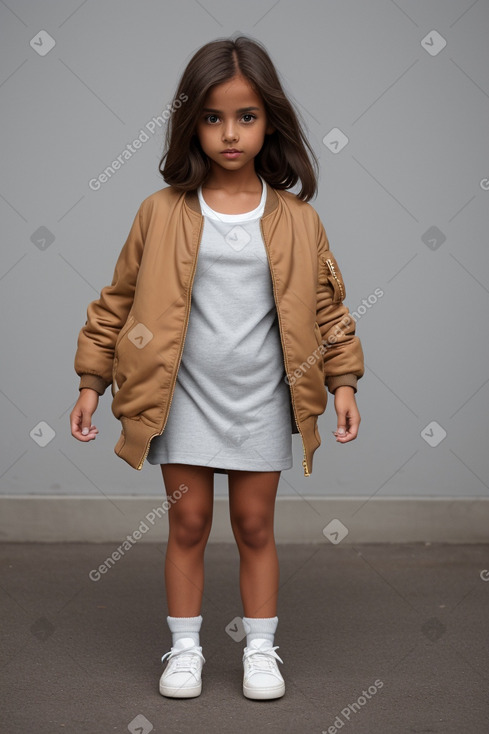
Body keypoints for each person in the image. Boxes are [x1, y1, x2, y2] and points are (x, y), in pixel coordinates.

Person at [70, 35, 364, 701]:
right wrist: (91, 381)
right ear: (190, 124)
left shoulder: (296, 219)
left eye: (246, 116)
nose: (229, 133)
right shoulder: (160, 211)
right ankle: (184, 649)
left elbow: (326, 306)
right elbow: (116, 301)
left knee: (254, 526)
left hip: (261, 399)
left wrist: (343, 381)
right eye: (212, 117)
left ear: (270, 121)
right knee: (189, 523)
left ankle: (261, 650)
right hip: (181, 399)